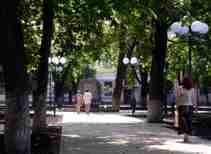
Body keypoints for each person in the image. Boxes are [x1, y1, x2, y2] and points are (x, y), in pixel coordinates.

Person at [176, 77, 196, 143]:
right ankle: (186, 137)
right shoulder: (192, 89)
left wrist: (177, 105)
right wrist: (195, 107)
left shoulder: (180, 88)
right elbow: (194, 99)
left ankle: (185, 137)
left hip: (182, 107)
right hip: (190, 107)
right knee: (188, 122)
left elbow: (178, 97)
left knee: (183, 122)